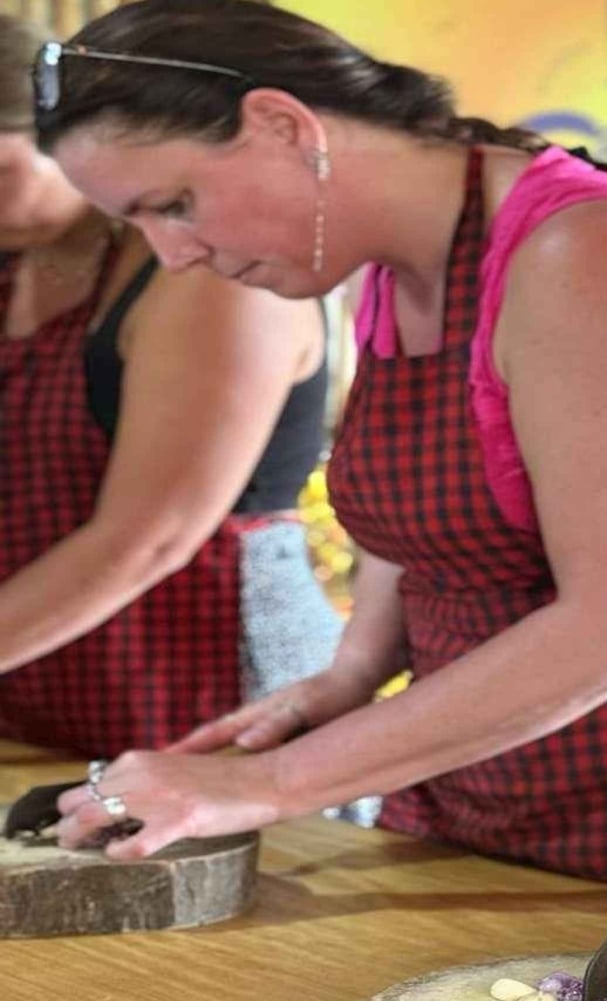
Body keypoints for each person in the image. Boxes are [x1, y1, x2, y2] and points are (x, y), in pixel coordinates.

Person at [40, 0, 607, 899]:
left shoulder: (595, 253)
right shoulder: (399, 272)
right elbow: (433, 523)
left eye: (175, 204)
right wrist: (350, 675)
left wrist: (260, 785)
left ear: (284, 126)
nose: (173, 253)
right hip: (492, 779)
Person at [0, 13, 339, 760]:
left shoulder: (208, 270)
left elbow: (148, 537)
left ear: (77, 149)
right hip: (44, 680)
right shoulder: (17, 258)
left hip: (209, 688)